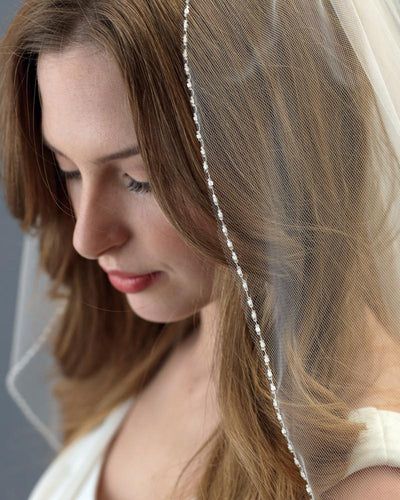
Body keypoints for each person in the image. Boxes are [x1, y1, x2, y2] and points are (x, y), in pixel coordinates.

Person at [1, 0, 400, 499]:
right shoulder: (148, 353)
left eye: (138, 180)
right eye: (69, 171)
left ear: (268, 157)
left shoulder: (364, 479)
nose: (87, 236)